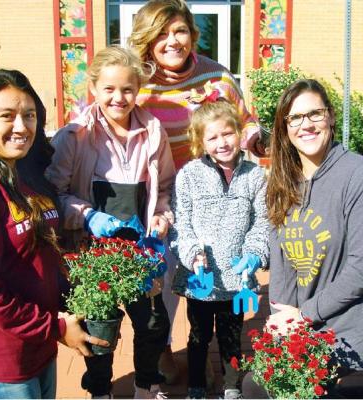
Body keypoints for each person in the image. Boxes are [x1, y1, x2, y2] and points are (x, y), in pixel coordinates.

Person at [128, 0, 267, 383]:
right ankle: (165, 351)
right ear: (147, 39)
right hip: (155, 194)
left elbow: (244, 121)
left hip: (208, 189)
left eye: (180, 31)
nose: (172, 41)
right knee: (163, 278)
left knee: (202, 266)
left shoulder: (216, 78)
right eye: (162, 33)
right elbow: (102, 108)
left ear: (192, 34)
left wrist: (259, 142)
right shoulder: (138, 81)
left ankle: (203, 346)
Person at [0, 69, 108, 399]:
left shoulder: (15, 172)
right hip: (0, 364)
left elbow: (35, 255)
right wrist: (55, 327)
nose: (21, 127)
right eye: (6, 116)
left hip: (37, 348)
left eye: (29, 116)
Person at [46, 46, 175, 399]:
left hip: (139, 254)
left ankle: (145, 386)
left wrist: (162, 217)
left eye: (128, 89)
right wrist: (88, 215)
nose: (119, 97)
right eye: (109, 89)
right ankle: (100, 390)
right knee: (98, 326)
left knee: (153, 323)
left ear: (138, 89)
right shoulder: (74, 136)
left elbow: (163, 187)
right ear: (94, 87)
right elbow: (53, 194)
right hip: (92, 254)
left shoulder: (152, 130)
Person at [243, 79, 363, 398]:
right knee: (255, 387)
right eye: (295, 118)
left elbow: (360, 269)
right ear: (285, 127)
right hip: (304, 334)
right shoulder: (284, 183)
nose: (305, 124)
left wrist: (304, 315)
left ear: (331, 117)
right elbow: (281, 262)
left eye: (315, 114)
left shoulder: (356, 175)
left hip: (349, 337)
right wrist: (282, 321)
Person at [168, 99, 269, 399]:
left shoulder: (254, 175)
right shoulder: (188, 175)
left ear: (239, 133)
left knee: (230, 337)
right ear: (200, 142)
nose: (222, 142)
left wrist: (254, 253)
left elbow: (261, 222)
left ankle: (231, 386)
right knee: (198, 337)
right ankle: (196, 386)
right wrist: (192, 253)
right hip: (202, 277)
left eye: (227, 133)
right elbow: (180, 224)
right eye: (212, 137)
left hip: (237, 276)